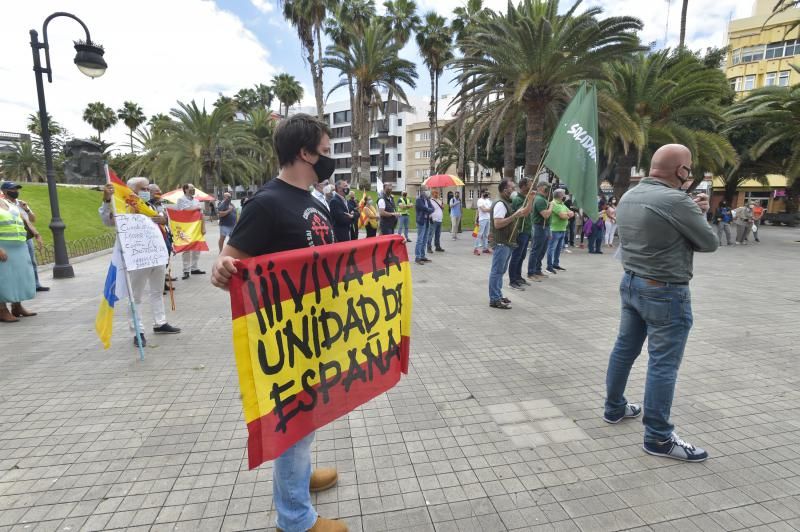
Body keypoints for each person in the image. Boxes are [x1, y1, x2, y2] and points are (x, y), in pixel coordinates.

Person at [211, 113, 347, 532]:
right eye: (325, 151)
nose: (329, 159)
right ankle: (295, 519)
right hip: (285, 338)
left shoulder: (312, 198)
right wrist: (222, 269)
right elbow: (229, 261)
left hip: (314, 331)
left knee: (307, 417)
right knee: (293, 421)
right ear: (304, 152)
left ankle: (299, 480)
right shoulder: (266, 203)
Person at [603, 144, 718, 463]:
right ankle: (658, 437)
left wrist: (691, 211)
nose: (690, 174)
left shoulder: (630, 195)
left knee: (624, 349)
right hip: (664, 291)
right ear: (680, 171)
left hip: (631, 283)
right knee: (663, 363)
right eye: (689, 169)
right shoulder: (678, 201)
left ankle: (613, 408)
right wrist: (699, 213)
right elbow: (709, 243)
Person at [101, 177, 181, 347]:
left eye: (147, 188)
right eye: (143, 188)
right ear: (131, 191)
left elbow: (165, 221)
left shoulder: (150, 205)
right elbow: (108, 219)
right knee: (135, 296)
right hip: (136, 256)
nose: (147, 191)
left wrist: (162, 220)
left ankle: (160, 322)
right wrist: (107, 200)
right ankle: (138, 330)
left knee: (157, 291)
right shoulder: (122, 205)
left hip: (156, 254)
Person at [489, 179, 532, 309]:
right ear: (504, 190)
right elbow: (498, 223)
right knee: (497, 271)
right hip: (501, 242)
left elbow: (524, 212)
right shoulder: (500, 204)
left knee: (500, 271)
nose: (514, 190)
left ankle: (498, 295)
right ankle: (495, 299)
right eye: (512, 188)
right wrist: (514, 216)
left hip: (507, 242)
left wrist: (530, 200)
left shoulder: (507, 203)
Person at [0, 182, 48, 292]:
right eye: (13, 189)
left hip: (25, 236)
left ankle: (35, 285)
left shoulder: (21, 204)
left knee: (30, 261)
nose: (16, 191)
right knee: (13, 266)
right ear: (5, 191)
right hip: (8, 240)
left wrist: (26, 209)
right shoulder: (4, 204)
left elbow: (31, 220)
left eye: (17, 189)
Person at [0, 193, 37, 322]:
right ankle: (2, 310)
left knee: (19, 276)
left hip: (19, 245)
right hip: (3, 245)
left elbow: (23, 219)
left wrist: (35, 233)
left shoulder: (8, 202)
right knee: (4, 279)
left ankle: (17, 307)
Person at [149, 184, 177, 293]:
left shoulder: (161, 202)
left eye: (160, 190)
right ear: (150, 192)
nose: (159, 192)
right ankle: (158, 285)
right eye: (156, 191)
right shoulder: (147, 204)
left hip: (166, 234)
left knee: (166, 258)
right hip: (157, 235)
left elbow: (173, 209)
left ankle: (163, 282)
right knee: (159, 260)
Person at [176, 183, 206, 279]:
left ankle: (194, 268)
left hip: (197, 227)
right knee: (187, 249)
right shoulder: (181, 200)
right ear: (185, 189)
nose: (193, 190)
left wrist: (203, 227)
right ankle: (186, 270)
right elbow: (184, 211)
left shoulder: (196, 200)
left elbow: (201, 214)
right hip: (186, 228)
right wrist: (196, 208)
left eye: (194, 188)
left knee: (197, 248)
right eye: (191, 188)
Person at [507, 178, 532, 291]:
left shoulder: (525, 198)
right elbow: (524, 213)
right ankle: (512, 280)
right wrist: (531, 200)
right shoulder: (518, 199)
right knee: (516, 256)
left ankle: (518, 277)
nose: (532, 186)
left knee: (522, 256)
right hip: (520, 231)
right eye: (529, 184)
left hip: (526, 231)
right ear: (523, 186)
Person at [526, 181, 553, 281]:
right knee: (536, 251)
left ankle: (537, 270)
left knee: (542, 251)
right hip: (539, 228)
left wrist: (548, 230)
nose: (548, 189)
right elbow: (545, 215)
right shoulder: (540, 200)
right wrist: (551, 207)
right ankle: (531, 272)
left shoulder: (543, 199)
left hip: (545, 228)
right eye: (546, 187)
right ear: (541, 188)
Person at [546, 189, 574, 274]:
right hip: (554, 230)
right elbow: (562, 216)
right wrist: (568, 215)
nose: (565, 195)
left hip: (562, 229)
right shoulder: (553, 203)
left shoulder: (562, 204)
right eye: (564, 194)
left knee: (558, 249)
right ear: (560, 195)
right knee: (551, 248)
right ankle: (549, 266)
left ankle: (555, 264)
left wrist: (568, 214)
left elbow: (571, 212)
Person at [414, 186, 434, 265]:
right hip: (421, 221)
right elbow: (424, 208)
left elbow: (432, 208)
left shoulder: (427, 200)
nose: (428, 191)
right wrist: (428, 209)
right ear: (422, 191)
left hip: (427, 221)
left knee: (425, 239)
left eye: (428, 190)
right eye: (427, 190)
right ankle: (417, 257)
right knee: (420, 239)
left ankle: (423, 256)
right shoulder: (419, 200)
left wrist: (428, 209)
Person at [473, 190, 492, 256]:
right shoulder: (480, 200)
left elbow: (490, 209)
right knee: (479, 234)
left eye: (487, 192)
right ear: (482, 193)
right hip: (482, 219)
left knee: (486, 235)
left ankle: (485, 248)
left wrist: (488, 209)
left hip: (488, 219)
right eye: (485, 192)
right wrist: (489, 209)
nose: (487, 194)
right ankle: (476, 249)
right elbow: (483, 210)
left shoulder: (488, 201)